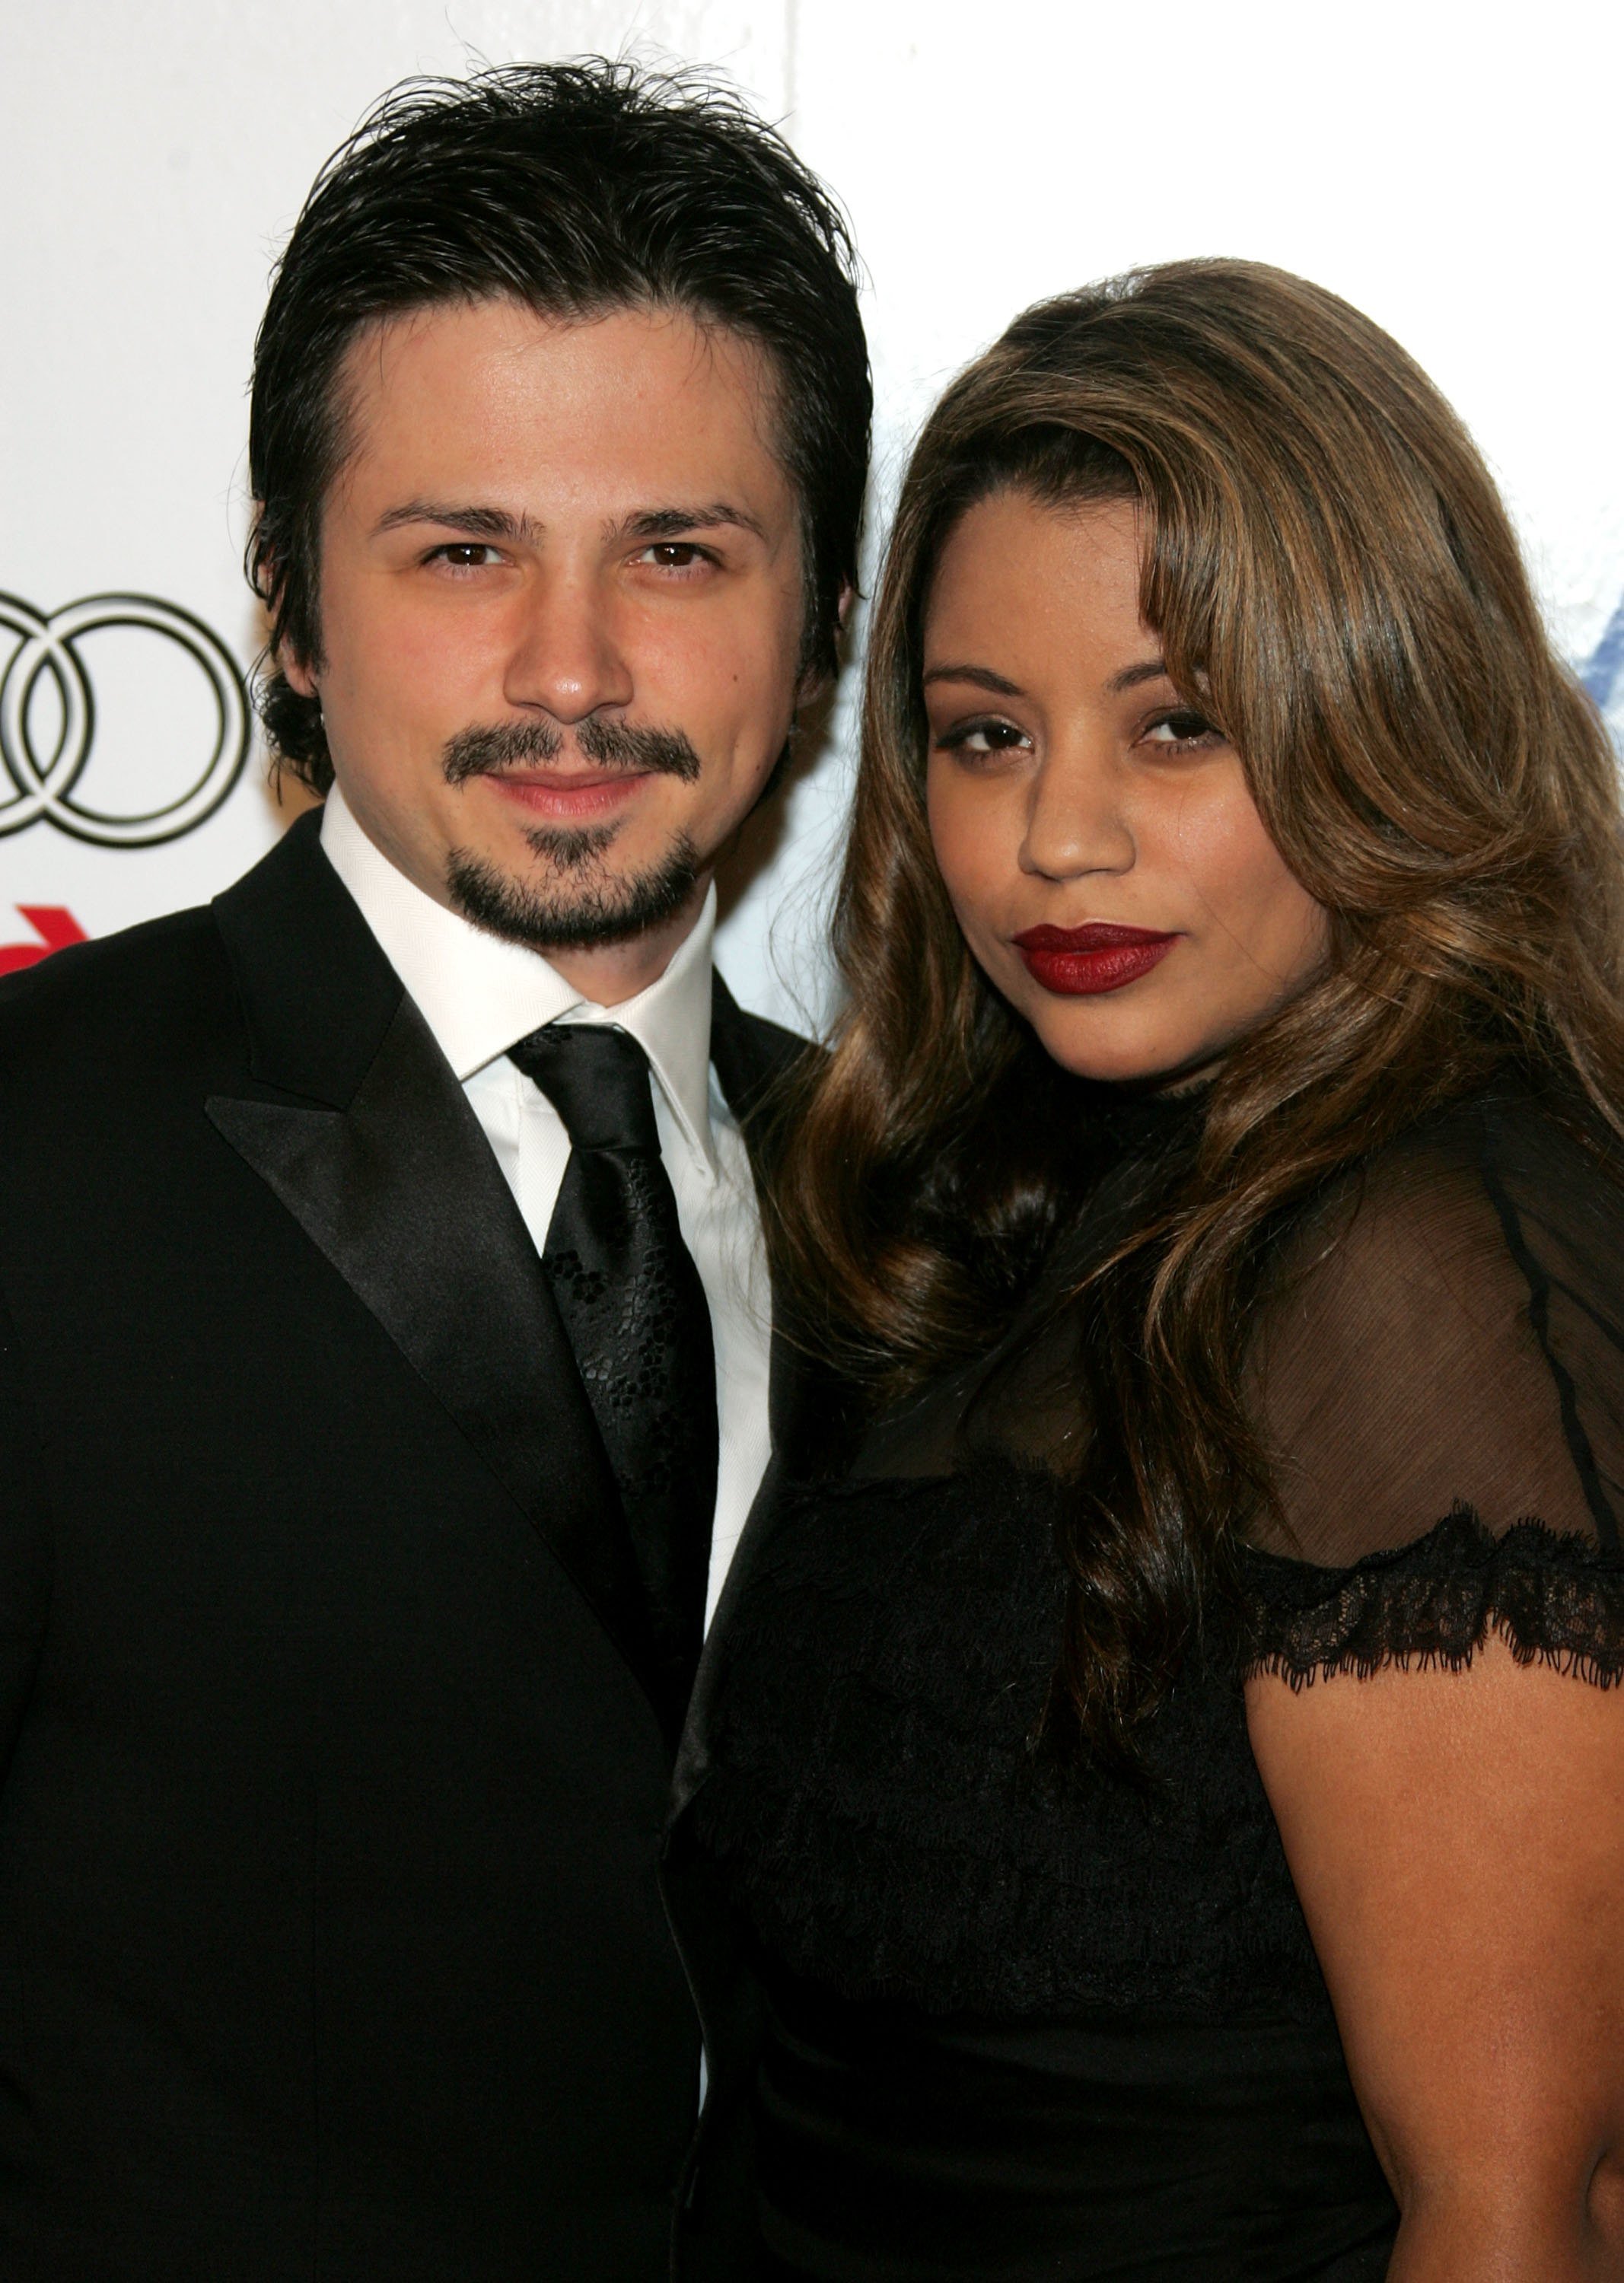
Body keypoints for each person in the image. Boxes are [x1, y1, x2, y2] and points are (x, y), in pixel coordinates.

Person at [0, 61, 868, 2281]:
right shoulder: (35, 1141)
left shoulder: (921, 1203)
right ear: (287, 609)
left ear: (826, 619)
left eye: (678, 550)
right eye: (461, 551)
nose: (570, 669)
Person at [678, 260, 1624, 2278]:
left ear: (1381, 711)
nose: (1061, 837)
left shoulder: (1423, 1264)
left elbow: (1521, 2212)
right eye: (984, 734)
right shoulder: (984, 1210)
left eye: (1178, 723)